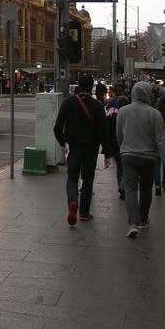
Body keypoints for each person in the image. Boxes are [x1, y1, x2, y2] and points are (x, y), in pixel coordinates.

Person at [117, 82, 165, 239]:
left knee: (130, 189)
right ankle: (143, 219)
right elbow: (162, 140)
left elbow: (119, 134)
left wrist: (123, 149)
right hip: (148, 158)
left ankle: (133, 222)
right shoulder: (155, 114)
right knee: (146, 188)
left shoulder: (123, 111)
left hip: (128, 155)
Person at [53, 74, 106, 226]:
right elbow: (103, 131)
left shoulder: (68, 103)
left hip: (74, 147)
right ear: (91, 87)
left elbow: (57, 127)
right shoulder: (97, 106)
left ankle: (72, 202)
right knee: (88, 180)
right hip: (91, 149)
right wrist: (107, 152)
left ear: (78, 86)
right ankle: (83, 213)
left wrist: (63, 142)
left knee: (72, 177)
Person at [103, 94, 129, 200]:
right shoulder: (129, 115)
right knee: (127, 168)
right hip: (128, 145)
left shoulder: (112, 115)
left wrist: (107, 151)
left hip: (116, 146)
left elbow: (108, 133)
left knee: (119, 167)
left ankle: (121, 186)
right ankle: (125, 186)